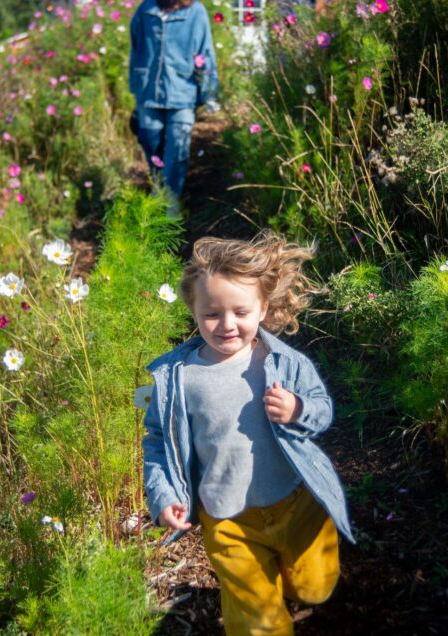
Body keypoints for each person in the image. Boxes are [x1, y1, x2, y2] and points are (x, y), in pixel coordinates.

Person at [140, 232, 354, 635]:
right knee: (258, 621)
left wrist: (298, 410)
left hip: (296, 503)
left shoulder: (283, 362)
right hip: (228, 519)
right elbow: (156, 440)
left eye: (240, 311)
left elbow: (322, 409)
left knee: (315, 588)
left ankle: (286, 579)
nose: (226, 325)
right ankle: (259, 602)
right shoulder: (180, 378)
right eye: (211, 314)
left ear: (263, 308)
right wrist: (164, 494)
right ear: (194, 310)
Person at [129, 0, 219, 210]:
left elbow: (206, 52)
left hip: (183, 89)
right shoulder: (146, 11)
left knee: (177, 149)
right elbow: (136, 51)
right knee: (149, 140)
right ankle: (160, 187)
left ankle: (171, 203)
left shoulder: (195, 12)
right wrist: (136, 91)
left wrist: (210, 93)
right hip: (149, 92)